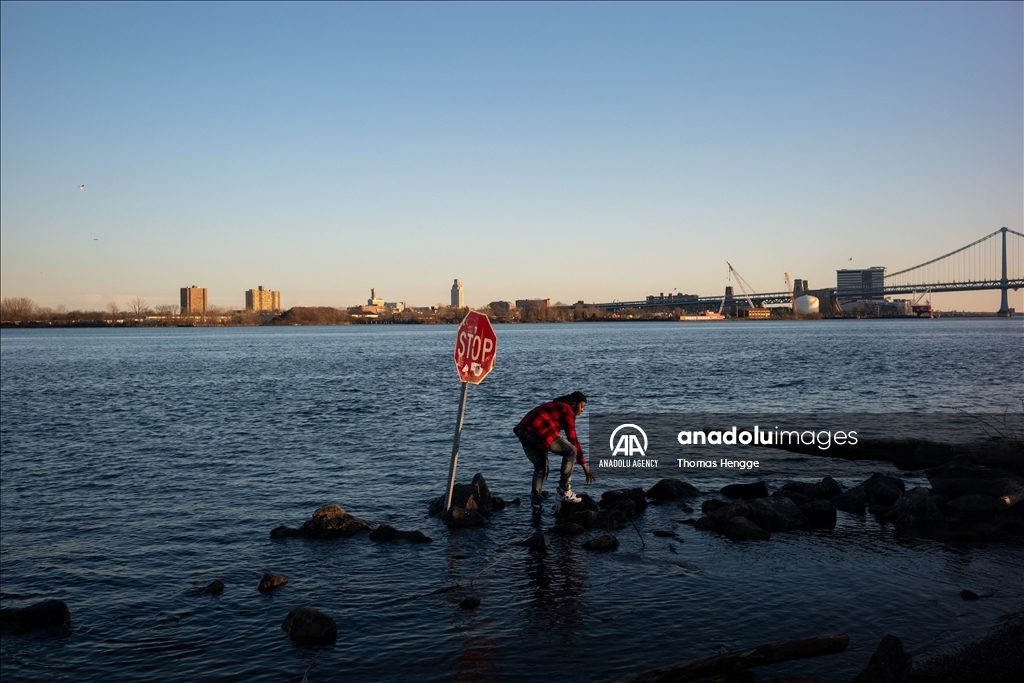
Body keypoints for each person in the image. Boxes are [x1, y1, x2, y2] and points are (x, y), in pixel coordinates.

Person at [514, 391, 595, 513]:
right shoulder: (567, 409)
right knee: (571, 451)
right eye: (582, 406)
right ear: (574, 404)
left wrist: (544, 450)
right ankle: (564, 491)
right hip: (536, 431)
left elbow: (544, 428)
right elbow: (573, 439)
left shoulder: (556, 405)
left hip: (523, 432)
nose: (582, 410)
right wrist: (584, 466)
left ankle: (536, 504)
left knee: (540, 468)